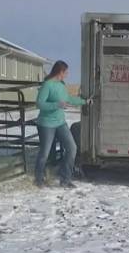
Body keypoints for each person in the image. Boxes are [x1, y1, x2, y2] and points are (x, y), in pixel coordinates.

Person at [34, 60, 89, 188]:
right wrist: (56, 105)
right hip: (46, 124)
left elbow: (68, 99)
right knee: (45, 153)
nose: (67, 74)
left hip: (60, 123)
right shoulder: (47, 85)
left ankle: (65, 179)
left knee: (72, 148)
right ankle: (38, 179)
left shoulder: (61, 85)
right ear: (60, 72)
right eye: (66, 72)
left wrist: (84, 101)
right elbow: (39, 104)